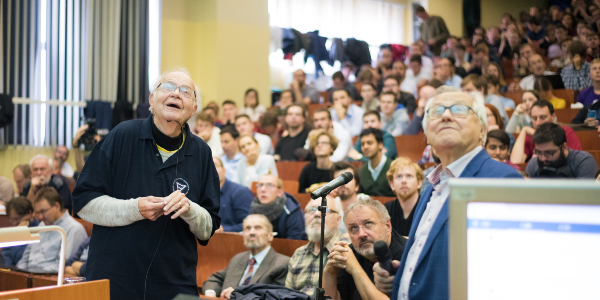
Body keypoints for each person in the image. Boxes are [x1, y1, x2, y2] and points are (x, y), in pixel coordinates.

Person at [72, 69, 221, 299]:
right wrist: (135, 209)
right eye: (168, 87)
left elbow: (208, 228)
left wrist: (190, 210)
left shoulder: (201, 152)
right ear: (152, 99)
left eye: (186, 92)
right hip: (114, 279)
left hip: (174, 283)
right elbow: (84, 203)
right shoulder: (122, 134)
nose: (176, 94)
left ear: (193, 110)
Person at [388, 90, 521, 300]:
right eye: (436, 111)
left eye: (459, 110)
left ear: (482, 130)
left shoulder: (502, 181)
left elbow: (506, 273)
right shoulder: (431, 184)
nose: (446, 115)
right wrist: (403, 276)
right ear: (426, 134)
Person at [323, 196, 407, 300]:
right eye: (354, 228)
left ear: (388, 226)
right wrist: (329, 273)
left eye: (368, 224)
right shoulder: (348, 255)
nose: (361, 234)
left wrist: (355, 269)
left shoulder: (408, 253)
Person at [203, 214, 290, 299]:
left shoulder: (282, 264)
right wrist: (210, 294)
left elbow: (273, 296)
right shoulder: (238, 258)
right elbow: (215, 279)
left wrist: (237, 295)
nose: (252, 232)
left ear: (270, 236)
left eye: (258, 228)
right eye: (247, 228)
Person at [285, 197, 346, 296]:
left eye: (324, 210)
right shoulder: (299, 253)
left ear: (338, 219)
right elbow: (286, 294)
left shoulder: (345, 250)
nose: (317, 214)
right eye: (312, 210)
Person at [17, 188, 87, 272]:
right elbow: (25, 259)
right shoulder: (42, 225)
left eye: (43, 211)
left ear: (57, 206)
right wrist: (19, 272)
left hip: (49, 279)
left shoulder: (74, 229)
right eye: (38, 212)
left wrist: (34, 273)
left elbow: (62, 266)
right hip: (29, 276)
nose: (40, 217)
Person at [511, 100, 582, 164]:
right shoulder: (529, 135)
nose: (538, 122)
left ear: (553, 116)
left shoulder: (566, 132)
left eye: (543, 117)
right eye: (534, 118)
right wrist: (524, 130)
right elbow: (515, 162)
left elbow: (576, 160)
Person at [526, 123, 598, 178]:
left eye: (549, 152)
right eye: (539, 152)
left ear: (564, 147)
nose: (543, 158)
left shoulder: (583, 161)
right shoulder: (534, 164)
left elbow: (584, 196)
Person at [249, 175, 305, 240]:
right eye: (260, 185)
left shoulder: (290, 210)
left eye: (269, 185)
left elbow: (295, 240)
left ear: (279, 192)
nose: (263, 189)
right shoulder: (254, 206)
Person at [385, 157, 424, 236]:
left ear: (419, 183)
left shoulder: (427, 207)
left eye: (409, 176)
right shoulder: (387, 209)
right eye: (399, 176)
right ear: (392, 184)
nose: (403, 181)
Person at [213, 157, 253, 233]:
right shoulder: (199, 195)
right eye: (206, 167)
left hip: (233, 241)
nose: (211, 169)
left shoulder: (241, 192)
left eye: (215, 165)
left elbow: (250, 224)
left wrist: (223, 230)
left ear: (224, 171)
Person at [1, 197, 39, 266]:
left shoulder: (39, 230)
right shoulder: (15, 229)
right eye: (11, 220)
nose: (14, 223)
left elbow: (21, 256)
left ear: (29, 213)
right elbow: (5, 253)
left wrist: (18, 232)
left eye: (17, 219)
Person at [358, 128, 395, 197]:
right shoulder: (362, 171)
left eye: (369, 143)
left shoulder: (394, 167)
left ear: (380, 145)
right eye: (362, 144)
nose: (365, 147)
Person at [330, 162, 363, 233]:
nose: (342, 183)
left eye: (347, 179)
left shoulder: (366, 202)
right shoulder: (332, 204)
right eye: (338, 180)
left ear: (357, 186)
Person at [572, 58, 600, 128]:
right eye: (594, 68)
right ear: (590, 73)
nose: (597, 71)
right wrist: (585, 124)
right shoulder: (583, 94)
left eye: (599, 68)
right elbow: (577, 119)